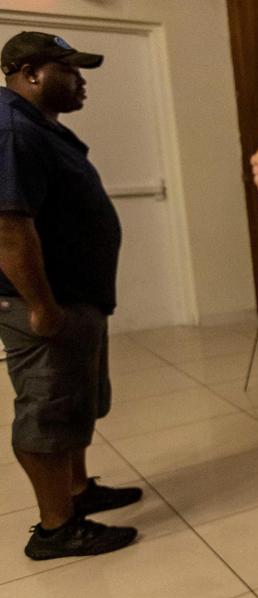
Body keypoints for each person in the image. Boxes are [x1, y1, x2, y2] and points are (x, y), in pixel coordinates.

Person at [0, 32, 141, 560]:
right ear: (31, 72)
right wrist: (41, 306)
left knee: (76, 403)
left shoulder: (39, 128)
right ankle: (56, 528)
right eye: (70, 70)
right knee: (47, 412)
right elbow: (9, 228)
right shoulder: (11, 129)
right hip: (45, 306)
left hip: (74, 299)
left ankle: (78, 492)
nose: (82, 81)